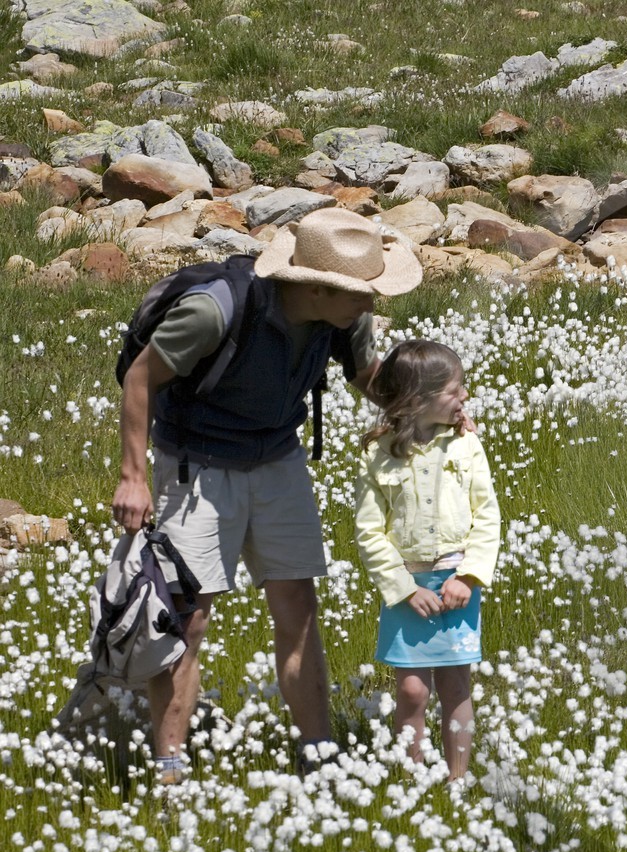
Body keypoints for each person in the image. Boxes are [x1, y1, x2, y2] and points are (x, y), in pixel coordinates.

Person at [111, 208, 423, 785]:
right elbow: (139, 379)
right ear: (316, 287)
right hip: (195, 467)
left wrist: (429, 411)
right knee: (187, 619)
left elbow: (367, 377)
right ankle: (169, 768)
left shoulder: (344, 321)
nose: (373, 303)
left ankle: (318, 754)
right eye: (362, 292)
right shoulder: (213, 312)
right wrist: (133, 477)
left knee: (298, 610)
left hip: (279, 459)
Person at [354, 340, 500, 781]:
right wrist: (403, 588)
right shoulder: (378, 453)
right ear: (418, 400)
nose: (465, 399)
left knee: (456, 686)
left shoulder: (466, 445)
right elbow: (369, 530)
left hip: (457, 584)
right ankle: (410, 782)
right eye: (455, 391)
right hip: (407, 591)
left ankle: (457, 780)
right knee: (413, 692)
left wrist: (469, 576)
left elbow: (487, 515)